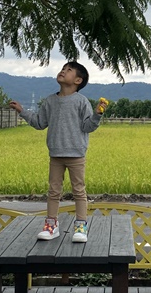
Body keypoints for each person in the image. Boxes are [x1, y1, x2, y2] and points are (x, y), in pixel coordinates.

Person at [8, 62, 108, 242]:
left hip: (76, 154)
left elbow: (87, 126)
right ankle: (51, 226)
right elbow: (39, 123)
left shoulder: (81, 101)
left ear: (78, 80)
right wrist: (22, 111)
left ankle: (81, 227)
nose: (63, 71)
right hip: (55, 154)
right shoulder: (50, 101)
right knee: (53, 191)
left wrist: (97, 115)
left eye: (69, 70)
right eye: (63, 68)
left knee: (79, 191)